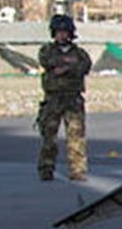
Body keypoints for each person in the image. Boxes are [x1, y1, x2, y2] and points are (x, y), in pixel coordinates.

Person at [36, 13, 92, 181]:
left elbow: (84, 66)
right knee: (49, 137)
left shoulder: (80, 53)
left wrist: (65, 67)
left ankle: (77, 170)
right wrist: (69, 64)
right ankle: (46, 168)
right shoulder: (47, 50)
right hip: (53, 99)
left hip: (72, 98)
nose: (62, 35)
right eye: (59, 32)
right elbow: (48, 62)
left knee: (76, 136)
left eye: (65, 32)